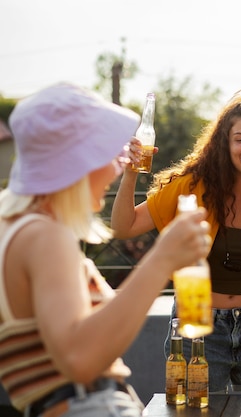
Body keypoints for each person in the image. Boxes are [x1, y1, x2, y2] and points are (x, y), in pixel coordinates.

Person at [0, 83, 210, 417]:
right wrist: (162, 259)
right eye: (108, 154)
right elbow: (80, 360)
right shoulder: (46, 235)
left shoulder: (12, 227)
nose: (118, 166)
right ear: (78, 161)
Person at [111, 91, 241, 394]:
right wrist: (130, 172)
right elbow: (124, 226)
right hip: (196, 323)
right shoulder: (191, 185)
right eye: (240, 139)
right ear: (224, 143)